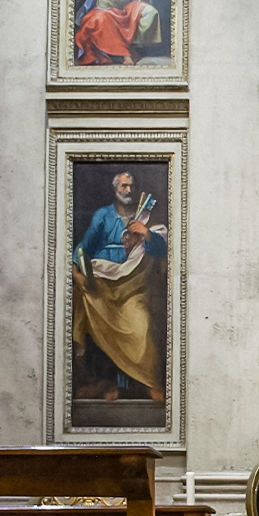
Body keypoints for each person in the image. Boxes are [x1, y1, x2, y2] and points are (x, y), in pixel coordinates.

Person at [72, 172, 169, 402]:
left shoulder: (146, 218)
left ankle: (147, 382)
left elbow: (162, 251)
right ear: (115, 189)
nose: (128, 191)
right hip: (103, 285)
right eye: (124, 186)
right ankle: (99, 383)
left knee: (140, 325)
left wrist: (145, 233)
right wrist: (76, 274)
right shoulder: (103, 216)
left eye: (132, 186)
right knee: (86, 306)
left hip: (133, 288)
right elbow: (83, 248)